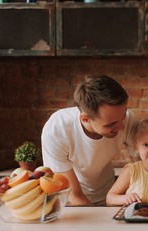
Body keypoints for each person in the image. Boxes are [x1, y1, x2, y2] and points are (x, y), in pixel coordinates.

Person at [41, 75, 139, 205]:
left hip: (109, 197)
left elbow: (145, 169)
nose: (121, 127)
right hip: (71, 204)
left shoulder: (128, 119)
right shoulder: (57, 130)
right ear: (85, 119)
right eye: (111, 124)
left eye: (123, 116)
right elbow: (74, 195)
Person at [106, 119, 148, 205]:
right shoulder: (131, 171)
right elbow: (110, 197)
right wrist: (125, 198)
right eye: (146, 145)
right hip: (132, 217)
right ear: (136, 147)